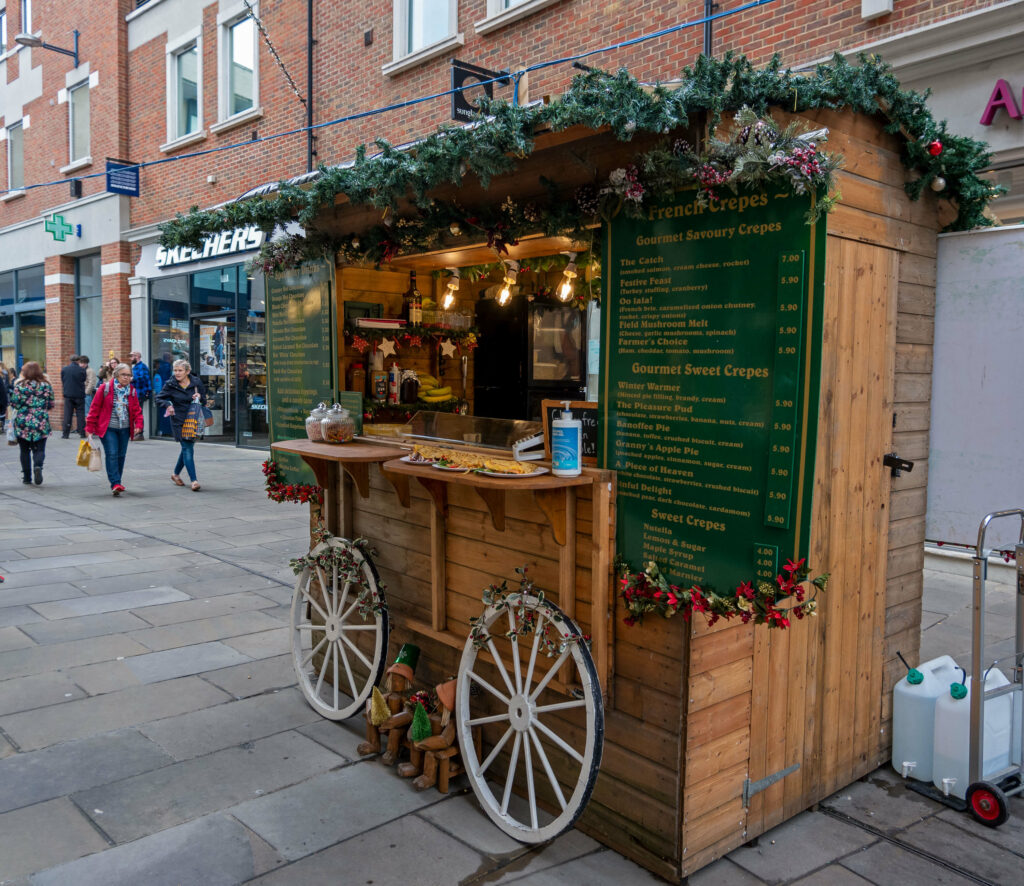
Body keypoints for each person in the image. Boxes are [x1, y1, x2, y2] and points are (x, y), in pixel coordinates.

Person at [85, 363, 144, 496]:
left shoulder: (132, 390)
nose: (127, 377)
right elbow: (94, 408)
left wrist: (139, 424)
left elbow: (136, 410)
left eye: (129, 375)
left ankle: (118, 481)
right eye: (124, 374)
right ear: (116, 374)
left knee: (121, 455)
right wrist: (89, 427)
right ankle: (115, 483)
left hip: (125, 428)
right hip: (108, 428)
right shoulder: (104, 388)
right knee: (112, 453)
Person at [156, 358, 206, 492]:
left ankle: (175, 474)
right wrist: (168, 405)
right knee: (188, 448)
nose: (177, 373)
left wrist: (199, 397)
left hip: (193, 419)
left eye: (180, 370)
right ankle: (194, 481)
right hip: (178, 420)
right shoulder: (171, 384)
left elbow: (205, 401)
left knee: (186, 448)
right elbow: (159, 398)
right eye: (175, 370)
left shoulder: (196, 382)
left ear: (187, 371)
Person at [10, 362, 54, 486]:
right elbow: (51, 404)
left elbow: (14, 403)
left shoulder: (19, 386)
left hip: (23, 420)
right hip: (40, 419)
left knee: (24, 450)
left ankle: (27, 477)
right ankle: (38, 466)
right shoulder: (46, 386)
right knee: (40, 448)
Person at [60, 354, 87, 439]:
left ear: (70, 360)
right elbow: (83, 379)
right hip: (79, 395)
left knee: (67, 414)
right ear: (78, 361)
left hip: (68, 395)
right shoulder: (82, 370)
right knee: (80, 414)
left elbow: (63, 380)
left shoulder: (64, 369)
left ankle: (65, 434)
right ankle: (82, 433)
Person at [129, 351, 152, 441]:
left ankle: (139, 433)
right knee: (135, 413)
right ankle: (136, 432)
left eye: (132, 357)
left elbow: (144, 379)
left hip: (140, 393)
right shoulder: (136, 367)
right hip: (135, 393)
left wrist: (132, 379)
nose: (131, 359)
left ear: (137, 356)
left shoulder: (142, 367)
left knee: (138, 413)